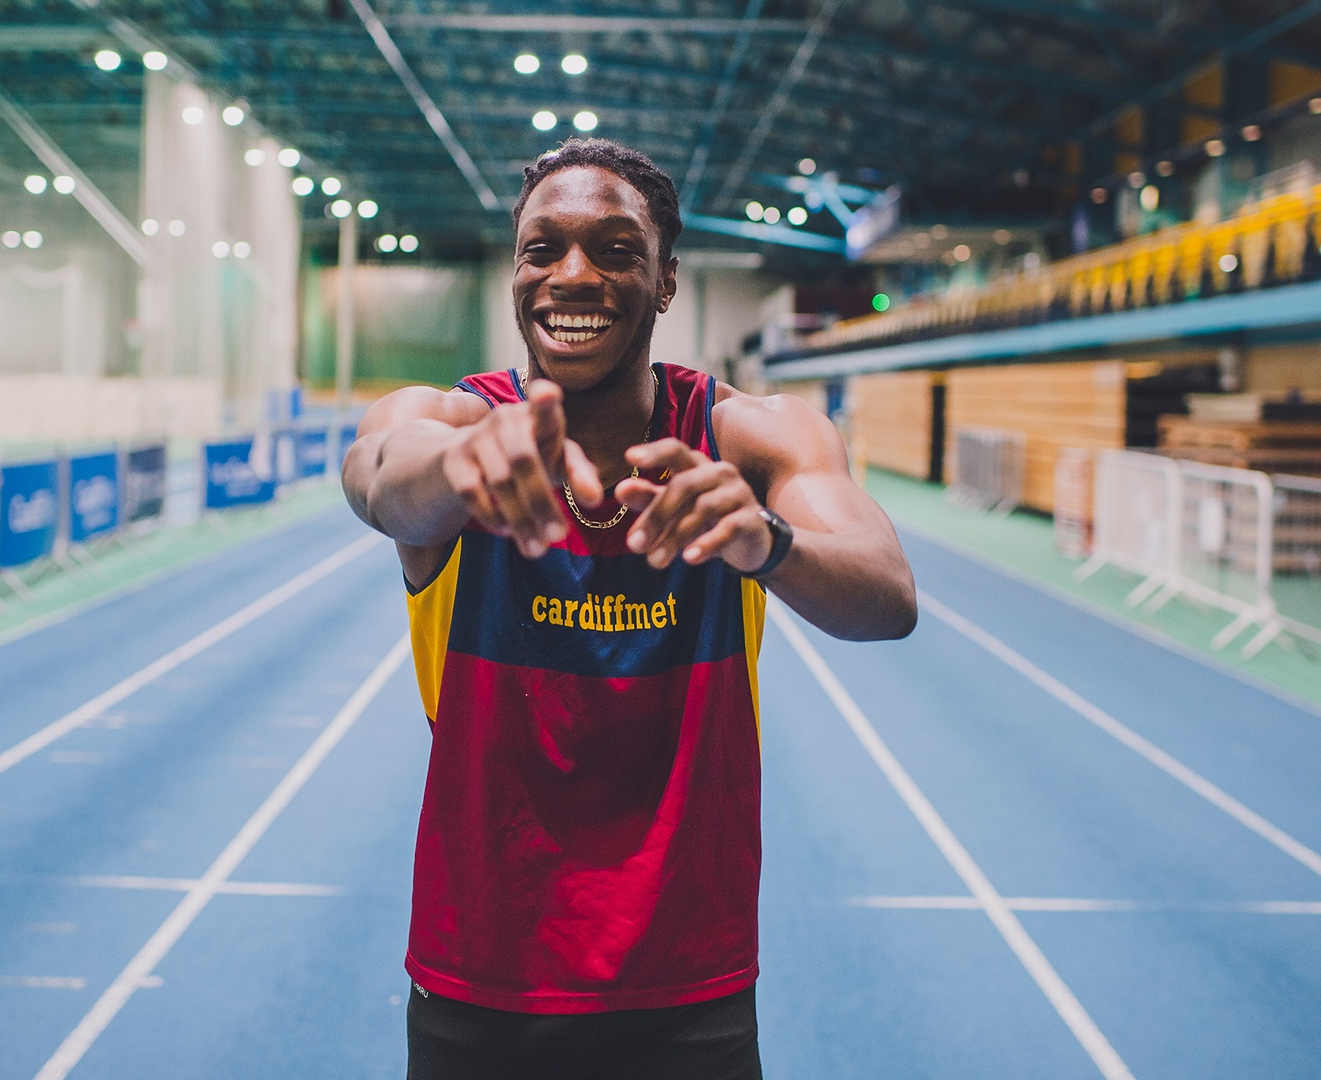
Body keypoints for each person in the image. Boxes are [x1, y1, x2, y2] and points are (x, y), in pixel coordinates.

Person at [342, 138, 917, 1080]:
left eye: (615, 249)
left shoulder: (752, 438)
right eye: (542, 249)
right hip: (482, 978)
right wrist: (454, 469)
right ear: (515, 274)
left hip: (688, 981)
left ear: (665, 283)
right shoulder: (450, 425)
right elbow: (374, 477)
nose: (573, 275)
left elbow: (886, 595)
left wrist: (766, 542)